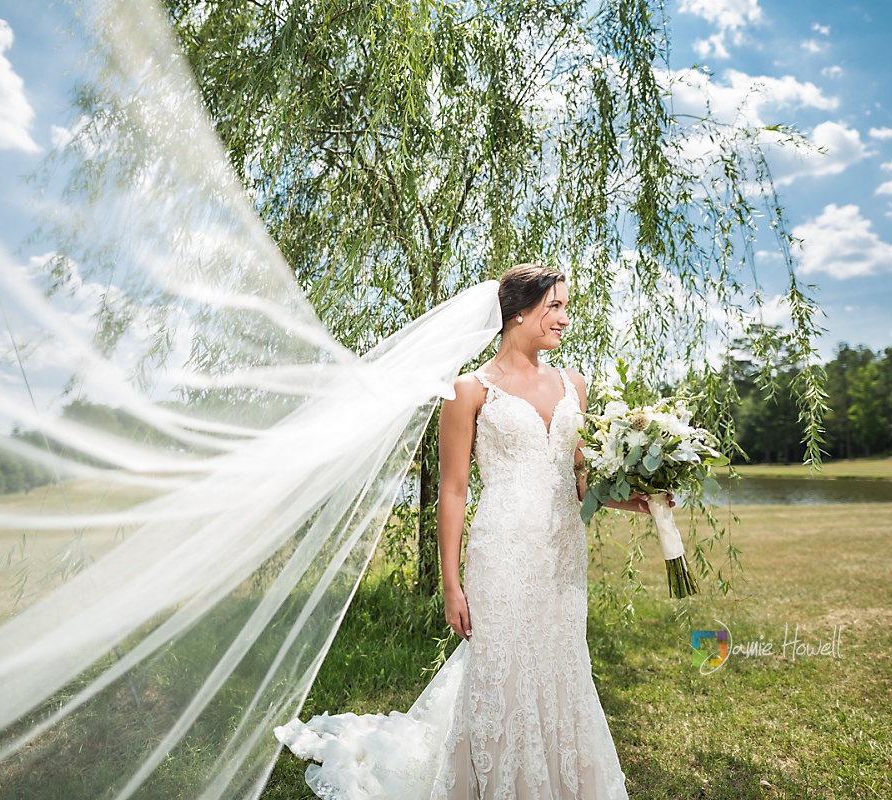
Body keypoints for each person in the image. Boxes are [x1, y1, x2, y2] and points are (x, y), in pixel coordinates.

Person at [275, 264, 673, 799]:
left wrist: (636, 501)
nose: (565, 319)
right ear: (518, 312)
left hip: (562, 556)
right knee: (502, 674)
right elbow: (454, 490)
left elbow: (580, 478)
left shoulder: (572, 384)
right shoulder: (467, 391)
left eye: (566, 307)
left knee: (561, 666)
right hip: (502, 554)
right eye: (554, 307)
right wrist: (451, 583)